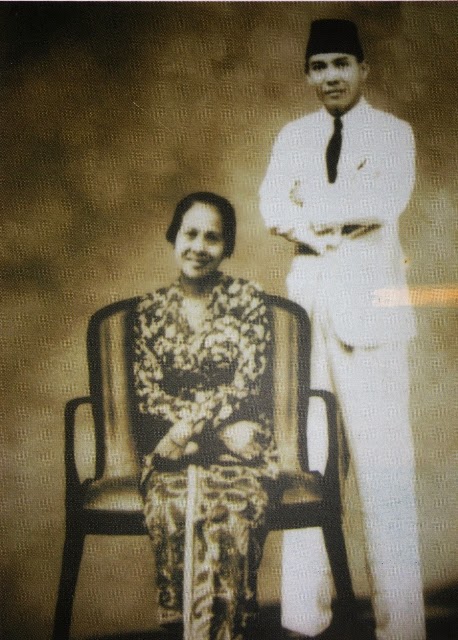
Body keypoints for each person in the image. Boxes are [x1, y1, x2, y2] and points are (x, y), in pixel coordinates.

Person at [259, 18, 425, 640]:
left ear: (363, 70)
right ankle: (304, 620)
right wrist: (323, 219)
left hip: (373, 317)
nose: (330, 76)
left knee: (386, 471)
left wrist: (309, 214)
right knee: (306, 467)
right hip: (310, 314)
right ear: (308, 75)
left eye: (341, 63)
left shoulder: (393, 133)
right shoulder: (292, 136)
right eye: (319, 66)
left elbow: (385, 202)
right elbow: (271, 206)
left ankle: (401, 627)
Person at [133, 191, 278, 640]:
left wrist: (191, 429)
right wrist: (185, 432)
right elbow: (148, 393)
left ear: (227, 246)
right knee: (173, 509)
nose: (199, 247)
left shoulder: (248, 300)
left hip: (240, 450)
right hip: (175, 450)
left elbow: (249, 382)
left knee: (232, 513)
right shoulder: (150, 309)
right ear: (174, 236)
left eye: (212, 238)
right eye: (190, 234)